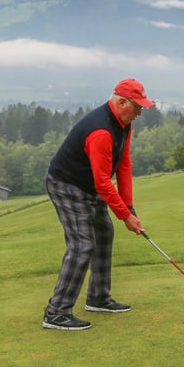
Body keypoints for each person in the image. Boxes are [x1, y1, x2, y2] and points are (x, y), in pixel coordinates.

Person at [41, 78, 153, 330]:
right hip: (67, 185)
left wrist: (129, 207)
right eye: (137, 107)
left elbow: (123, 164)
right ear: (122, 102)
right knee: (82, 245)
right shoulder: (101, 131)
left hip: (89, 184)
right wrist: (125, 217)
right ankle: (56, 312)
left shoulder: (123, 124)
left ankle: (98, 297)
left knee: (104, 234)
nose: (139, 113)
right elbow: (103, 182)